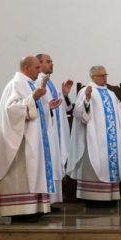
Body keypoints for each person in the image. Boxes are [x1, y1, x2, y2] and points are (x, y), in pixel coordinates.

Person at [0, 56, 59, 221]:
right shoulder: (16, 84)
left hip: (32, 140)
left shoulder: (29, 84)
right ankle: (20, 212)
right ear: (26, 68)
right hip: (19, 144)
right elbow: (11, 110)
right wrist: (33, 98)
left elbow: (34, 112)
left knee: (34, 173)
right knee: (22, 174)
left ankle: (34, 209)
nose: (39, 71)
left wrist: (47, 108)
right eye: (36, 68)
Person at [67, 66, 121, 202]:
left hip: (111, 141)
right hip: (94, 138)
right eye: (101, 75)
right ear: (93, 77)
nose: (104, 78)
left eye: (105, 75)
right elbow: (78, 113)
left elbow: (118, 114)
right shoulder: (86, 91)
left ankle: (109, 197)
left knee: (108, 164)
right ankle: (92, 198)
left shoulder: (111, 94)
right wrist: (87, 100)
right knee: (94, 163)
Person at [36, 53, 73, 205]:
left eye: (52, 61)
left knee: (55, 163)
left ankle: (53, 200)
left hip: (55, 132)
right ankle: (46, 201)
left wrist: (64, 95)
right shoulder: (37, 82)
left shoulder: (50, 83)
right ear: (39, 64)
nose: (52, 64)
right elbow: (37, 105)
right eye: (48, 61)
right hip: (45, 132)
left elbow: (64, 108)